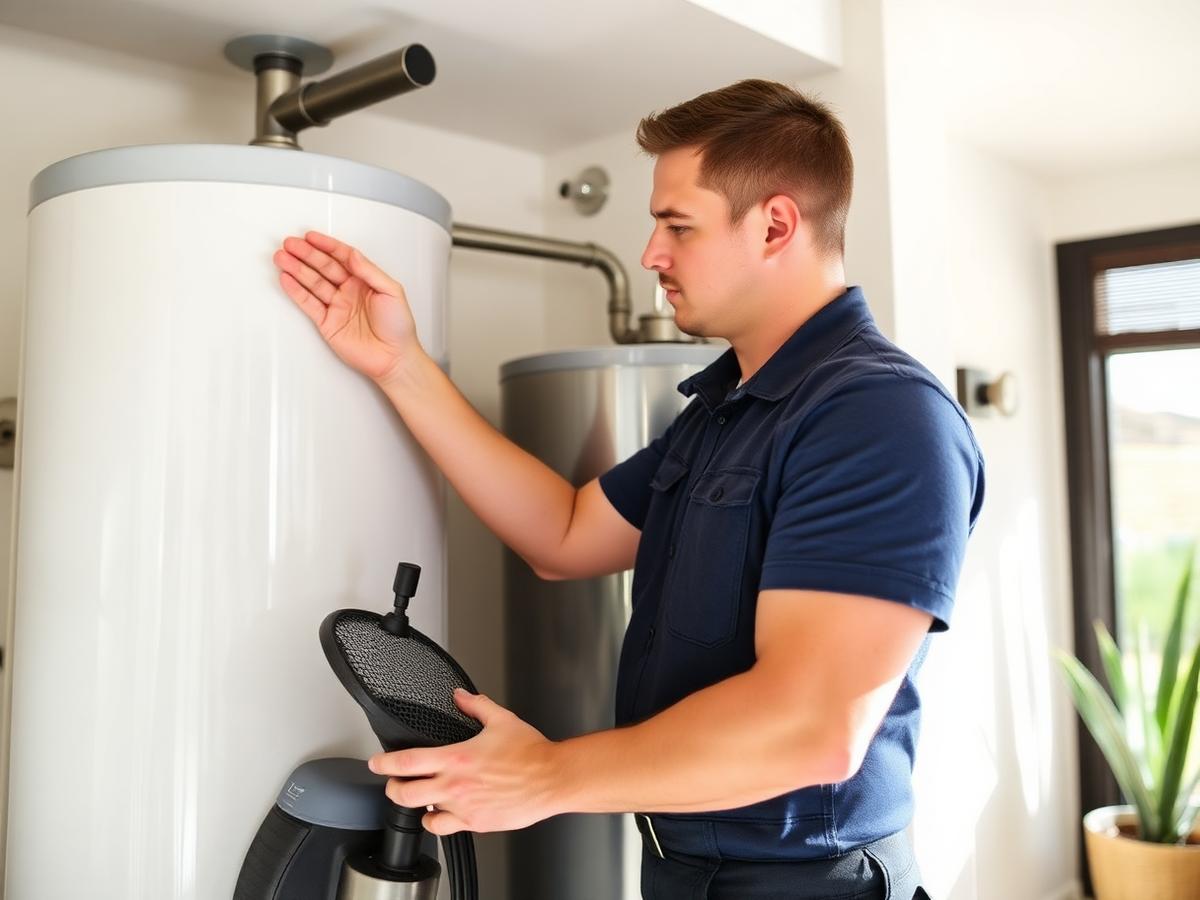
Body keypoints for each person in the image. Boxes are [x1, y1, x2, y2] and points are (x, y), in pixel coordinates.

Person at [273, 78, 983, 900]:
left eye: (677, 225)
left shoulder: (879, 415)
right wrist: (401, 365)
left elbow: (813, 728)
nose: (652, 254)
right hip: (683, 870)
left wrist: (546, 774)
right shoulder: (726, 413)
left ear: (776, 224)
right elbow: (566, 535)